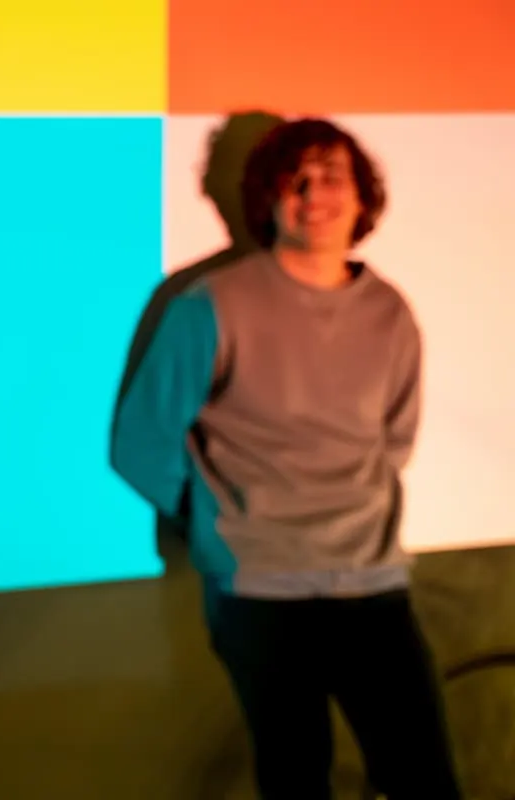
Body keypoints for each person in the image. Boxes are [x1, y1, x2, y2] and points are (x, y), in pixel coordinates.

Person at [110, 118, 462, 799]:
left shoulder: (388, 311)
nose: (314, 192)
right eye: (294, 178)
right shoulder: (208, 306)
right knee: (296, 779)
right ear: (268, 199)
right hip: (259, 595)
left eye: (332, 174)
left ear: (363, 197)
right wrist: (222, 521)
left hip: (373, 585)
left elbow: (395, 439)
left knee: (427, 779)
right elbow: (140, 443)